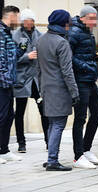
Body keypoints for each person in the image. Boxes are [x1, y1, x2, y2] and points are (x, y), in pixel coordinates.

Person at [37, 9, 79, 171]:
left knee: (52, 124)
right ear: (64, 24)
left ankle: (51, 158)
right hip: (60, 90)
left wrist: (41, 89)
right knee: (58, 125)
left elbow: (38, 69)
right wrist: (74, 92)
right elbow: (67, 71)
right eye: (68, 23)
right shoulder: (62, 43)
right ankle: (53, 160)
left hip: (47, 89)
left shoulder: (41, 40)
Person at [69, 5, 98, 169]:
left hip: (90, 80)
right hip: (80, 81)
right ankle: (78, 156)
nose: (94, 22)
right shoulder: (73, 32)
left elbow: (89, 56)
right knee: (80, 118)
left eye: (95, 18)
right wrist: (86, 67)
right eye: (92, 18)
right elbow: (68, 58)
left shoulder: (87, 33)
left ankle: (86, 149)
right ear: (83, 18)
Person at [12, 9, 48, 153]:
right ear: (22, 21)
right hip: (21, 80)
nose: (29, 23)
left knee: (43, 110)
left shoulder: (40, 36)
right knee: (19, 112)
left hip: (36, 81)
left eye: (31, 20)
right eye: (26, 20)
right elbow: (11, 59)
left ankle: (48, 141)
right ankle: (21, 142)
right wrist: (27, 56)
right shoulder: (14, 36)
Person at [0, 5, 23, 164]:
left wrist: (22, 48)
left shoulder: (8, 33)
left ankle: (4, 150)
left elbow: (13, 56)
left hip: (8, 83)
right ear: (12, 15)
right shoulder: (1, 33)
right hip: (2, 83)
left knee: (9, 116)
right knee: (1, 117)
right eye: (18, 17)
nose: (19, 21)